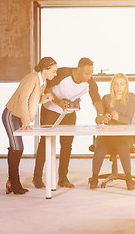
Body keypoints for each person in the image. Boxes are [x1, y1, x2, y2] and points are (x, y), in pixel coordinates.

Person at [32, 57, 104, 188]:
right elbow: (46, 88)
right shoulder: (63, 73)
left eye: (91, 73)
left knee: (67, 145)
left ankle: (63, 178)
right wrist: (58, 101)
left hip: (68, 113)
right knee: (45, 142)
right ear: (78, 69)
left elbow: (97, 99)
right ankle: (37, 177)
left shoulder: (89, 82)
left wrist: (99, 114)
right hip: (51, 110)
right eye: (87, 73)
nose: (89, 76)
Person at [2, 57, 57, 195]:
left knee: (17, 148)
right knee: (17, 148)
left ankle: (12, 183)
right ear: (45, 69)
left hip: (19, 117)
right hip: (11, 115)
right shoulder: (32, 78)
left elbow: (35, 99)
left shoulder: (42, 82)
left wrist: (46, 97)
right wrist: (26, 121)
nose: (55, 74)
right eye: (54, 71)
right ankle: (15, 183)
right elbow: (23, 98)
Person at [89, 73, 135, 190]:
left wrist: (117, 118)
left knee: (122, 145)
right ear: (112, 86)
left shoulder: (131, 97)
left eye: (122, 84)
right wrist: (105, 118)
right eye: (116, 84)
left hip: (123, 135)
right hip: (107, 134)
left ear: (126, 85)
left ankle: (128, 178)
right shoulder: (106, 98)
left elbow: (130, 120)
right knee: (100, 147)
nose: (119, 87)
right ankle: (94, 177)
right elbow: (99, 118)